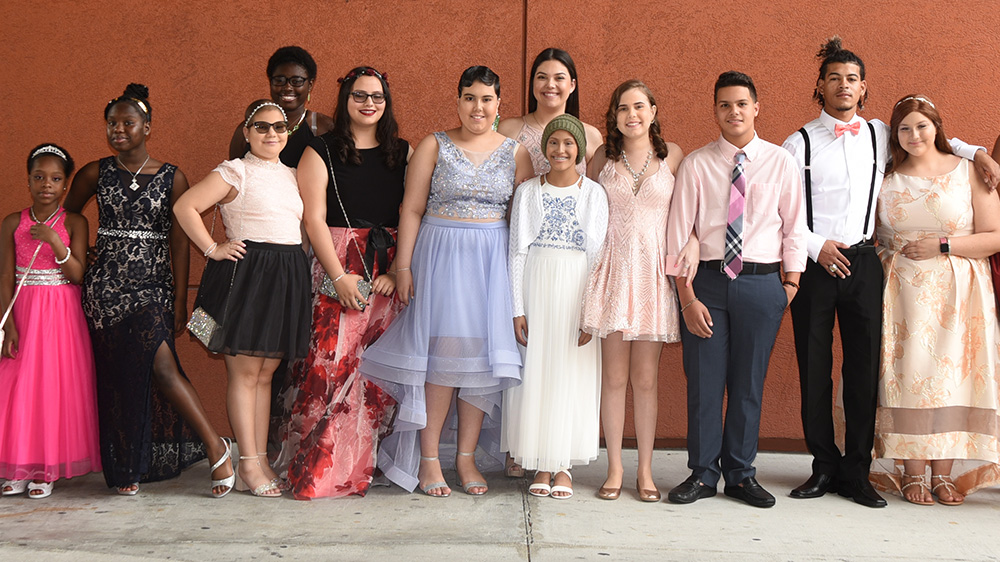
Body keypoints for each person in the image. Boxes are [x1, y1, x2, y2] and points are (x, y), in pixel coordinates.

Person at [782, 37, 999, 508]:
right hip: (818, 263)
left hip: (865, 264)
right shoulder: (795, 142)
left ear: (864, 89)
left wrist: (977, 150)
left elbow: (933, 134)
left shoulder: (882, 132)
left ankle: (857, 471)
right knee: (814, 369)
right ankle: (823, 466)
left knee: (866, 370)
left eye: (853, 79)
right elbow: (784, 208)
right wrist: (817, 247)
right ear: (821, 86)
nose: (844, 85)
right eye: (834, 78)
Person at [360, 66, 533, 496]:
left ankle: (467, 458)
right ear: (457, 100)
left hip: (491, 259)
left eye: (487, 99)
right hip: (439, 257)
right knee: (441, 355)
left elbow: (523, 222)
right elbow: (412, 208)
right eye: (470, 98)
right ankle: (430, 458)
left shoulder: (517, 153)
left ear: (498, 105)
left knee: (481, 358)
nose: (478, 107)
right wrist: (403, 267)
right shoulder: (433, 145)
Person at [65, 84, 234, 497]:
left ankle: (217, 449)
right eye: (112, 123)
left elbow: (179, 242)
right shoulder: (95, 172)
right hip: (104, 290)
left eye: (128, 123)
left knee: (160, 366)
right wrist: (81, 254)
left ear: (148, 127)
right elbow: (67, 218)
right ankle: (126, 467)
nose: (118, 130)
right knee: (118, 376)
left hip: (152, 289)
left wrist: (179, 299)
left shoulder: (172, 176)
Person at [666, 71, 807, 508]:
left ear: (756, 107)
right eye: (725, 105)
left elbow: (795, 226)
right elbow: (677, 235)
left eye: (742, 104)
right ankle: (703, 473)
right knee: (705, 382)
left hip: (764, 284)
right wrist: (687, 298)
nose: (734, 112)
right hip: (707, 283)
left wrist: (790, 285)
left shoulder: (780, 162)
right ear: (715, 111)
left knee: (748, 384)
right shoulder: (696, 163)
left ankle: (742, 474)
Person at [273, 66, 410, 499]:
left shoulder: (400, 152)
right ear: (345, 100)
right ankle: (318, 468)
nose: (369, 103)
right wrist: (337, 276)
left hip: (386, 267)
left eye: (377, 97)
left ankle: (361, 465)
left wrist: (396, 270)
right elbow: (313, 218)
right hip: (338, 263)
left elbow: (411, 212)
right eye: (359, 95)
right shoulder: (321, 149)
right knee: (329, 366)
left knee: (373, 374)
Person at [175, 100, 311, 498]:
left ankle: (259, 458)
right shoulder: (235, 170)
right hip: (248, 279)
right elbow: (185, 206)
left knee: (266, 373)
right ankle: (248, 463)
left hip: (285, 277)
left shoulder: (291, 173)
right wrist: (212, 247)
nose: (272, 134)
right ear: (247, 132)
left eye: (280, 127)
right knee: (244, 373)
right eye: (262, 127)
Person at [870, 95, 1000, 506]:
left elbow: (995, 235)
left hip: (959, 296)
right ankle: (911, 473)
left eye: (922, 126)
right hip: (900, 297)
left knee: (950, 377)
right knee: (907, 377)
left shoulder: (967, 172)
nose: (914, 135)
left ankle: (943, 474)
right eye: (904, 128)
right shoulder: (885, 176)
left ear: (937, 127)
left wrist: (943, 244)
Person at [580, 80, 689, 502]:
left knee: (646, 380)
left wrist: (693, 245)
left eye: (639, 106)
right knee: (613, 378)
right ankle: (614, 468)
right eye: (623, 108)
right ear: (614, 115)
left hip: (653, 277)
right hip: (612, 273)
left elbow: (690, 214)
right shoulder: (601, 160)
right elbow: (583, 212)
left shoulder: (673, 155)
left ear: (653, 110)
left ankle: (645, 470)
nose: (632, 115)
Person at [502, 114, 608, 499]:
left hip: (576, 288)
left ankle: (562, 464)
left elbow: (597, 255)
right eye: (553, 143)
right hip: (537, 285)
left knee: (570, 372)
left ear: (579, 149)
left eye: (568, 143)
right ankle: (540, 462)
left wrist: (591, 310)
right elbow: (517, 251)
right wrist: (517, 307)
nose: (560, 150)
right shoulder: (530, 191)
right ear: (544, 148)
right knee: (538, 371)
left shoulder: (594, 193)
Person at [0, 145, 100, 499]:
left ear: (65, 184)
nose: (46, 184)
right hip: (24, 309)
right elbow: (5, 276)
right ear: (28, 180)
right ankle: (20, 464)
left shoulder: (75, 222)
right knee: (19, 386)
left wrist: (57, 242)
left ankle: (47, 468)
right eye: (39, 177)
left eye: (55, 179)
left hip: (61, 311)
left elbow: (77, 275)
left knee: (54, 386)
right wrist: (8, 323)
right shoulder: (13, 221)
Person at [498, 48, 603, 175]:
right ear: (533, 83)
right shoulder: (508, 130)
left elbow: (595, 190)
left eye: (559, 78)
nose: (550, 85)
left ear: (572, 85)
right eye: (542, 77)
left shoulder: (590, 135)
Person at [228, 45, 334, 168]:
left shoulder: (323, 128)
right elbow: (232, 177)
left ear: (310, 85)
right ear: (270, 82)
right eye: (279, 80)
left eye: (296, 81)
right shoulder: (248, 129)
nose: (288, 87)